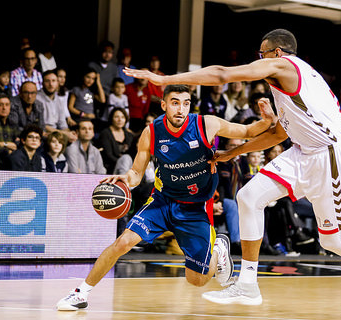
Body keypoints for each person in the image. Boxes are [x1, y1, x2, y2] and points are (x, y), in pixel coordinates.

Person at [125, 29, 341, 313]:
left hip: (331, 155)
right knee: (248, 197)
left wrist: (165, 79)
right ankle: (247, 284)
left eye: (261, 54)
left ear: (277, 53)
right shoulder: (291, 87)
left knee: (333, 238)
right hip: (304, 153)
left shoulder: (285, 66)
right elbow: (277, 134)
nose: (258, 61)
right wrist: (231, 153)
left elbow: (223, 74)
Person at [56, 84, 275, 311]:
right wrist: (124, 179)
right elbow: (136, 174)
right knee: (123, 242)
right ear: (164, 105)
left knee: (197, 280)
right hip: (163, 201)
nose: (181, 109)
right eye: (175, 103)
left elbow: (248, 131)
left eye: (186, 103)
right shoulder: (152, 132)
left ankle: (218, 249)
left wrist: (267, 121)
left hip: (196, 208)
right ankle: (80, 293)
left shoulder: (205, 124)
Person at [36, 70, 75, 141]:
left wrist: (69, 134)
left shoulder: (59, 100)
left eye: (53, 81)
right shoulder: (36, 98)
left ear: (57, 83)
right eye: (47, 81)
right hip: (42, 134)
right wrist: (64, 134)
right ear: (42, 83)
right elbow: (41, 125)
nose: (51, 84)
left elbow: (62, 123)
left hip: (57, 133)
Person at [98, 107, 134, 174]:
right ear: (111, 118)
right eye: (116, 117)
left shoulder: (129, 135)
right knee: (125, 159)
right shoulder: (106, 133)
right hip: (112, 168)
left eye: (123, 117)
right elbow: (108, 155)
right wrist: (123, 162)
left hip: (129, 167)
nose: (120, 120)